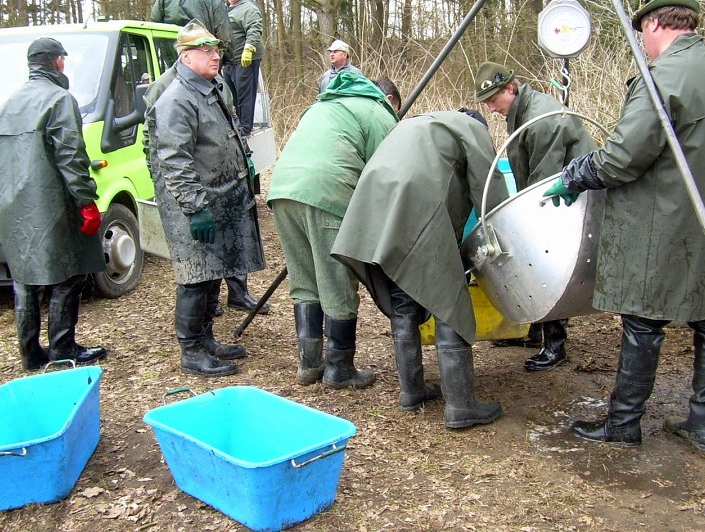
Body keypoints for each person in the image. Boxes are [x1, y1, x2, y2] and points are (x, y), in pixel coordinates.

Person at [542, 0, 705, 450]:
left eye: (642, 34)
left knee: (642, 319)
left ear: (654, 24)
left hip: (666, 216)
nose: (643, 44)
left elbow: (622, 159)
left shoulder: (663, 77)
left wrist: (574, 175)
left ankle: (622, 425)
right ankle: (703, 423)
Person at [332, 110, 509, 429]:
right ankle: (461, 405)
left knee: (403, 292)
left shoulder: (423, 123)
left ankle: (411, 390)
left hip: (376, 197)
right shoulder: (474, 129)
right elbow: (490, 190)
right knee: (448, 300)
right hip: (417, 198)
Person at [145, 22, 264, 376]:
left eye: (217, 51)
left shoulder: (212, 86)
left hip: (221, 196)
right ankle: (191, 350)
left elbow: (230, 132)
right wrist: (195, 209)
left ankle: (207, 339)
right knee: (195, 275)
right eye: (208, 51)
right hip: (193, 202)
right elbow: (173, 159)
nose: (216, 56)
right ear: (186, 56)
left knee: (216, 270)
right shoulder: (176, 99)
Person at [267, 72, 399, 390]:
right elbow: (390, 173)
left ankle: (309, 363)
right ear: (391, 100)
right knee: (336, 280)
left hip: (283, 191)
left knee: (305, 279)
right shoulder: (379, 111)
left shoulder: (323, 105)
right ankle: (339, 368)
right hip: (326, 194)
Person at [0, 37, 107, 369]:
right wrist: (85, 200)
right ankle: (63, 348)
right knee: (68, 274)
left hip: (13, 204)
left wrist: (8, 194)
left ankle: (30, 353)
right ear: (58, 62)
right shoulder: (59, 99)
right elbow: (71, 155)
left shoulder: (9, 103)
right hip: (52, 201)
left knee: (25, 277)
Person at [476, 62, 597, 371]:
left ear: (510, 89)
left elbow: (544, 183)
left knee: (549, 262)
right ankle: (535, 330)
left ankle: (555, 345)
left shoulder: (541, 119)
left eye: (493, 100)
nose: (491, 109)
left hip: (571, 195)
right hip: (563, 189)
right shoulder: (521, 111)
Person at [150, 0, 233, 66]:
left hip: (174, 57)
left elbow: (154, 25)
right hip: (204, 56)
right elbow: (223, 31)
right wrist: (226, 57)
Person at [222, 0, 264, 135]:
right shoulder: (226, 9)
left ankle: (245, 128)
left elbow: (254, 27)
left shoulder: (248, 8)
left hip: (244, 57)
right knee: (231, 94)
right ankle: (235, 124)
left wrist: (249, 48)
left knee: (244, 94)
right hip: (230, 60)